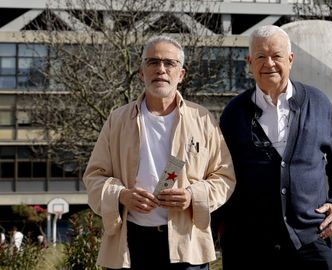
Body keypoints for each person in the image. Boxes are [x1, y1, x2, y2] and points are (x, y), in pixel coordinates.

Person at [83, 35, 236, 270]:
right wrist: (121, 195)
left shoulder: (203, 120)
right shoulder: (118, 120)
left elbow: (224, 177)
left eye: (169, 63)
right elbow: (94, 177)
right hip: (131, 245)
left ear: (181, 74)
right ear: (141, 72)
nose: (161, 69)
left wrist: (192, 196)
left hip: (187, 246)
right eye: (153, 62)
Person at [216, 25, 332, 269]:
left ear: (290, 59)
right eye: (260, 56)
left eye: (276, 56)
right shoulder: (234, 113)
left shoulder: (317, 103)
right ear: (249, 62)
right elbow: (218, 170)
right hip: (249, 244)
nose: (268, 63)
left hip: (311, 237)